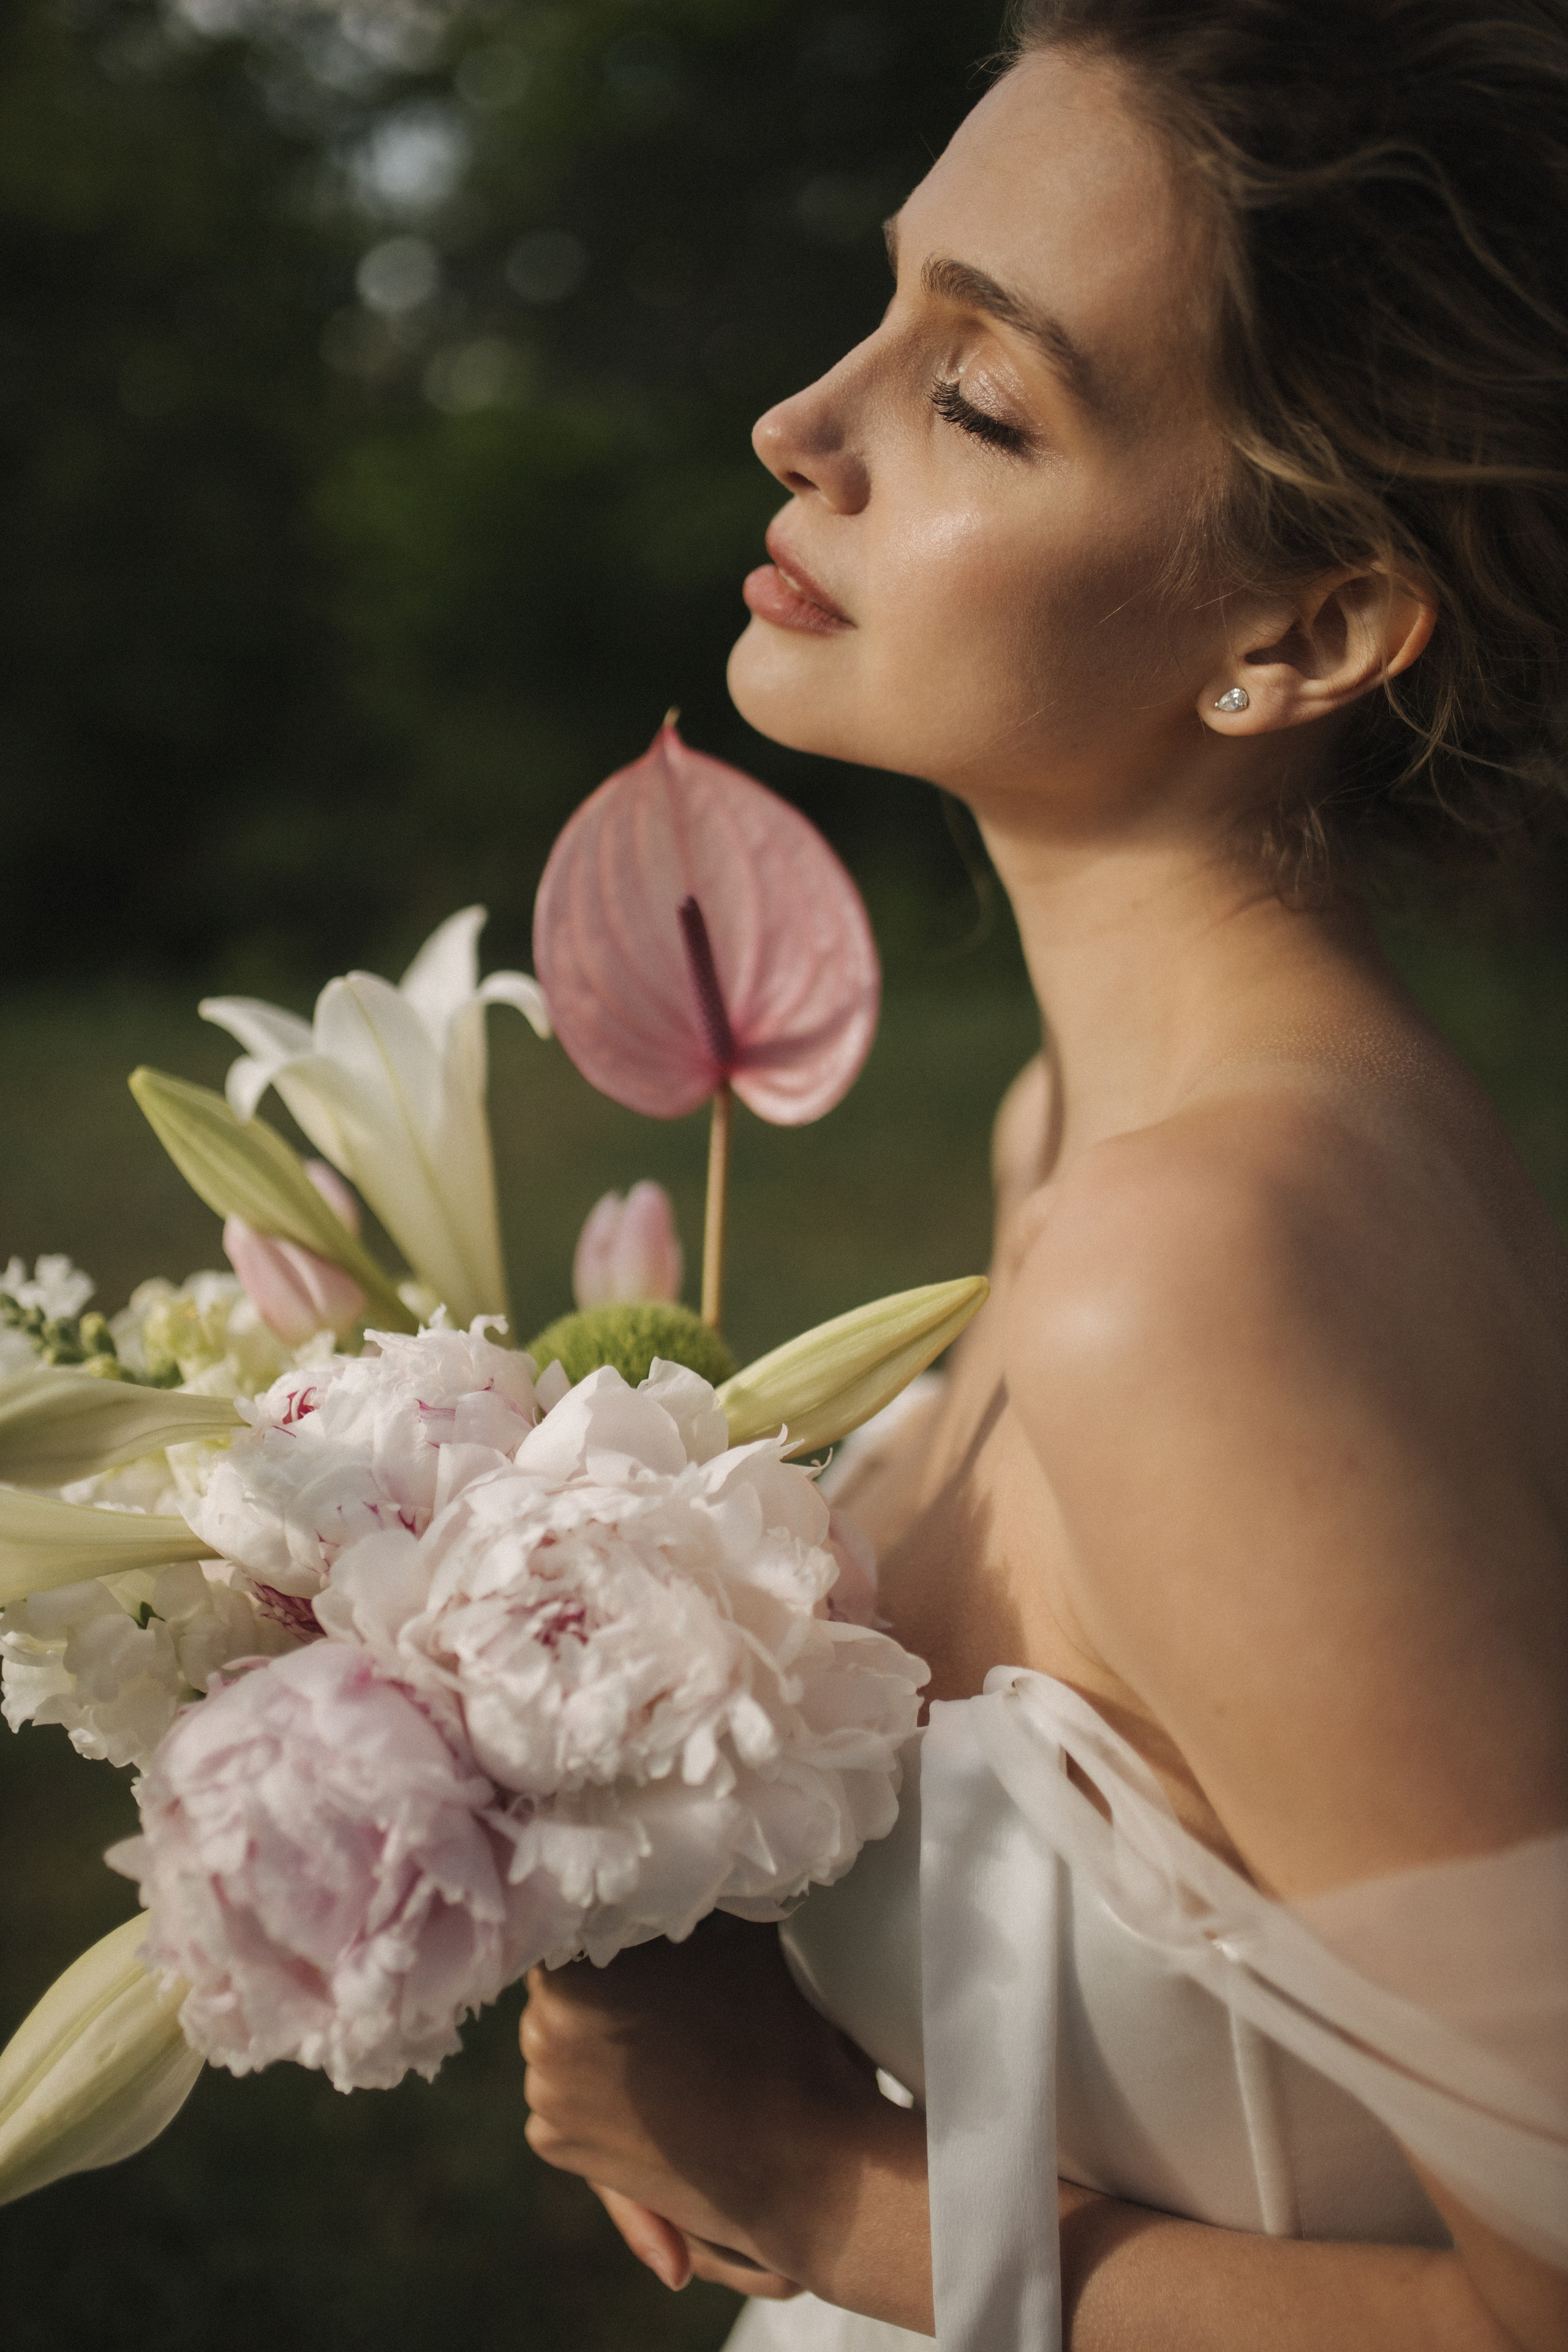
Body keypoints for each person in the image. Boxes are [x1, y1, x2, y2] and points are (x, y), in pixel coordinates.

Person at [517, 2, 1568, 2343]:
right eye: (889, 303)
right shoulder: (1102, 1139)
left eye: (979, 397)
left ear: (1305, 628)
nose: (802, 424)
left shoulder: (1193, 1278)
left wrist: (806, 2177)